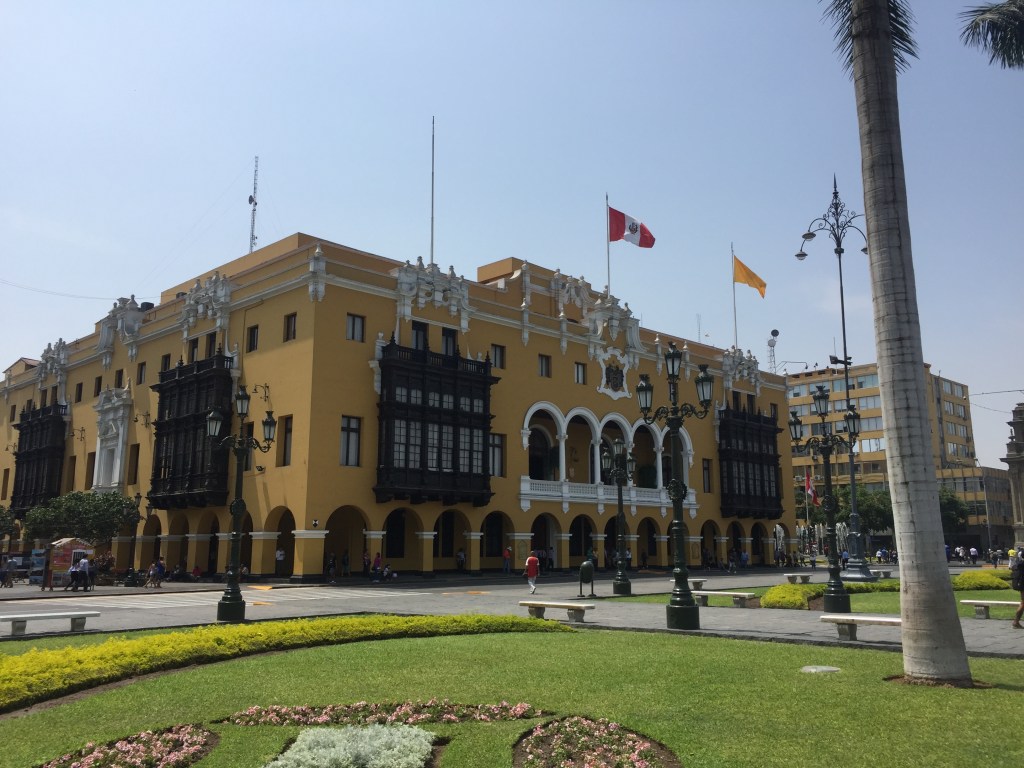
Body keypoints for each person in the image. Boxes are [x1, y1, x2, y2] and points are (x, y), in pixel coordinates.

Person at [1010, 548, 1024, 629]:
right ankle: (1016, 621)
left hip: (1020, 585)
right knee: (1023, 603)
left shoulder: (1019, 563)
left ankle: (1016, 621)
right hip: (1023, 585)